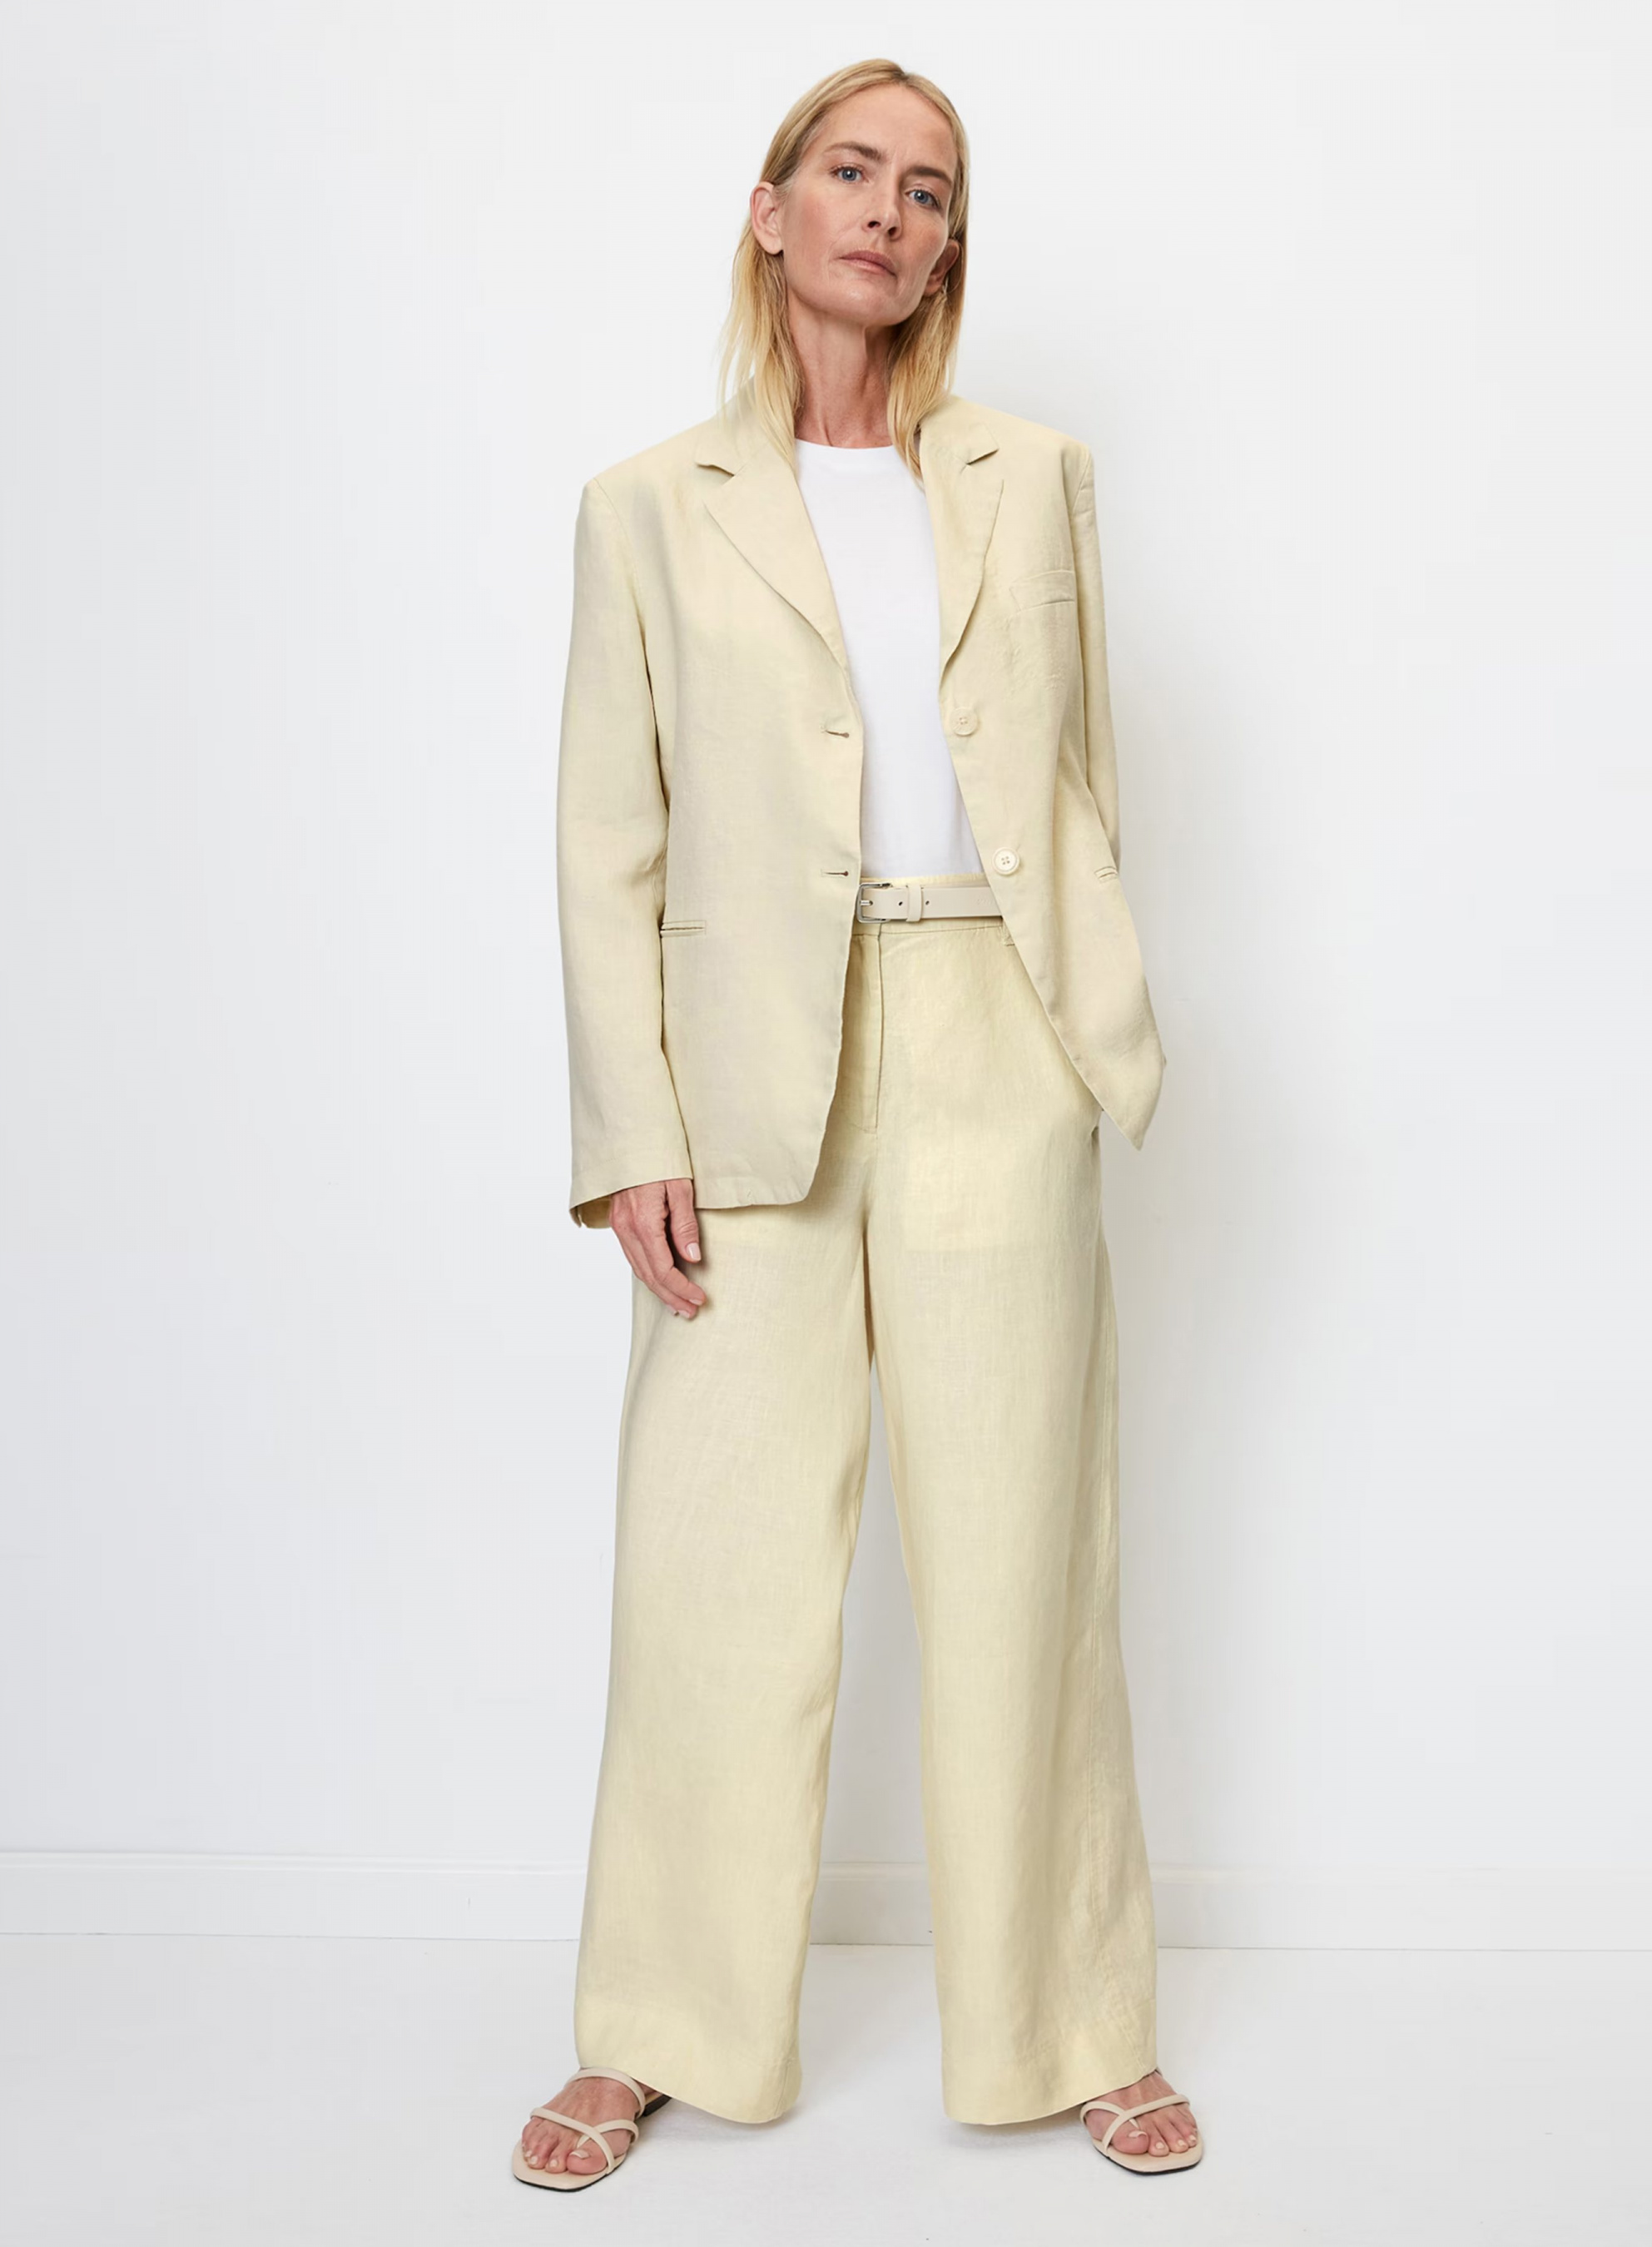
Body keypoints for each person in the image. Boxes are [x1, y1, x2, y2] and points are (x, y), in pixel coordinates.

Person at [513, 56, 1202, 2193]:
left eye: (929, 190)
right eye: (851, 172)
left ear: (944, 245)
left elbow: (1080, 781)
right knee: (708, 1567)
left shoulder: (1030, 475)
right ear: (770, 207)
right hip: (748, 1071)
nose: (890, 214)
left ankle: (1072, 2024)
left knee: (1021, 1557)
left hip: (992, 1023)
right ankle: (653, 2027)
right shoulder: (648, 505)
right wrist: (630, 1128)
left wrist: (1083, 1034)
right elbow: (605, 841)